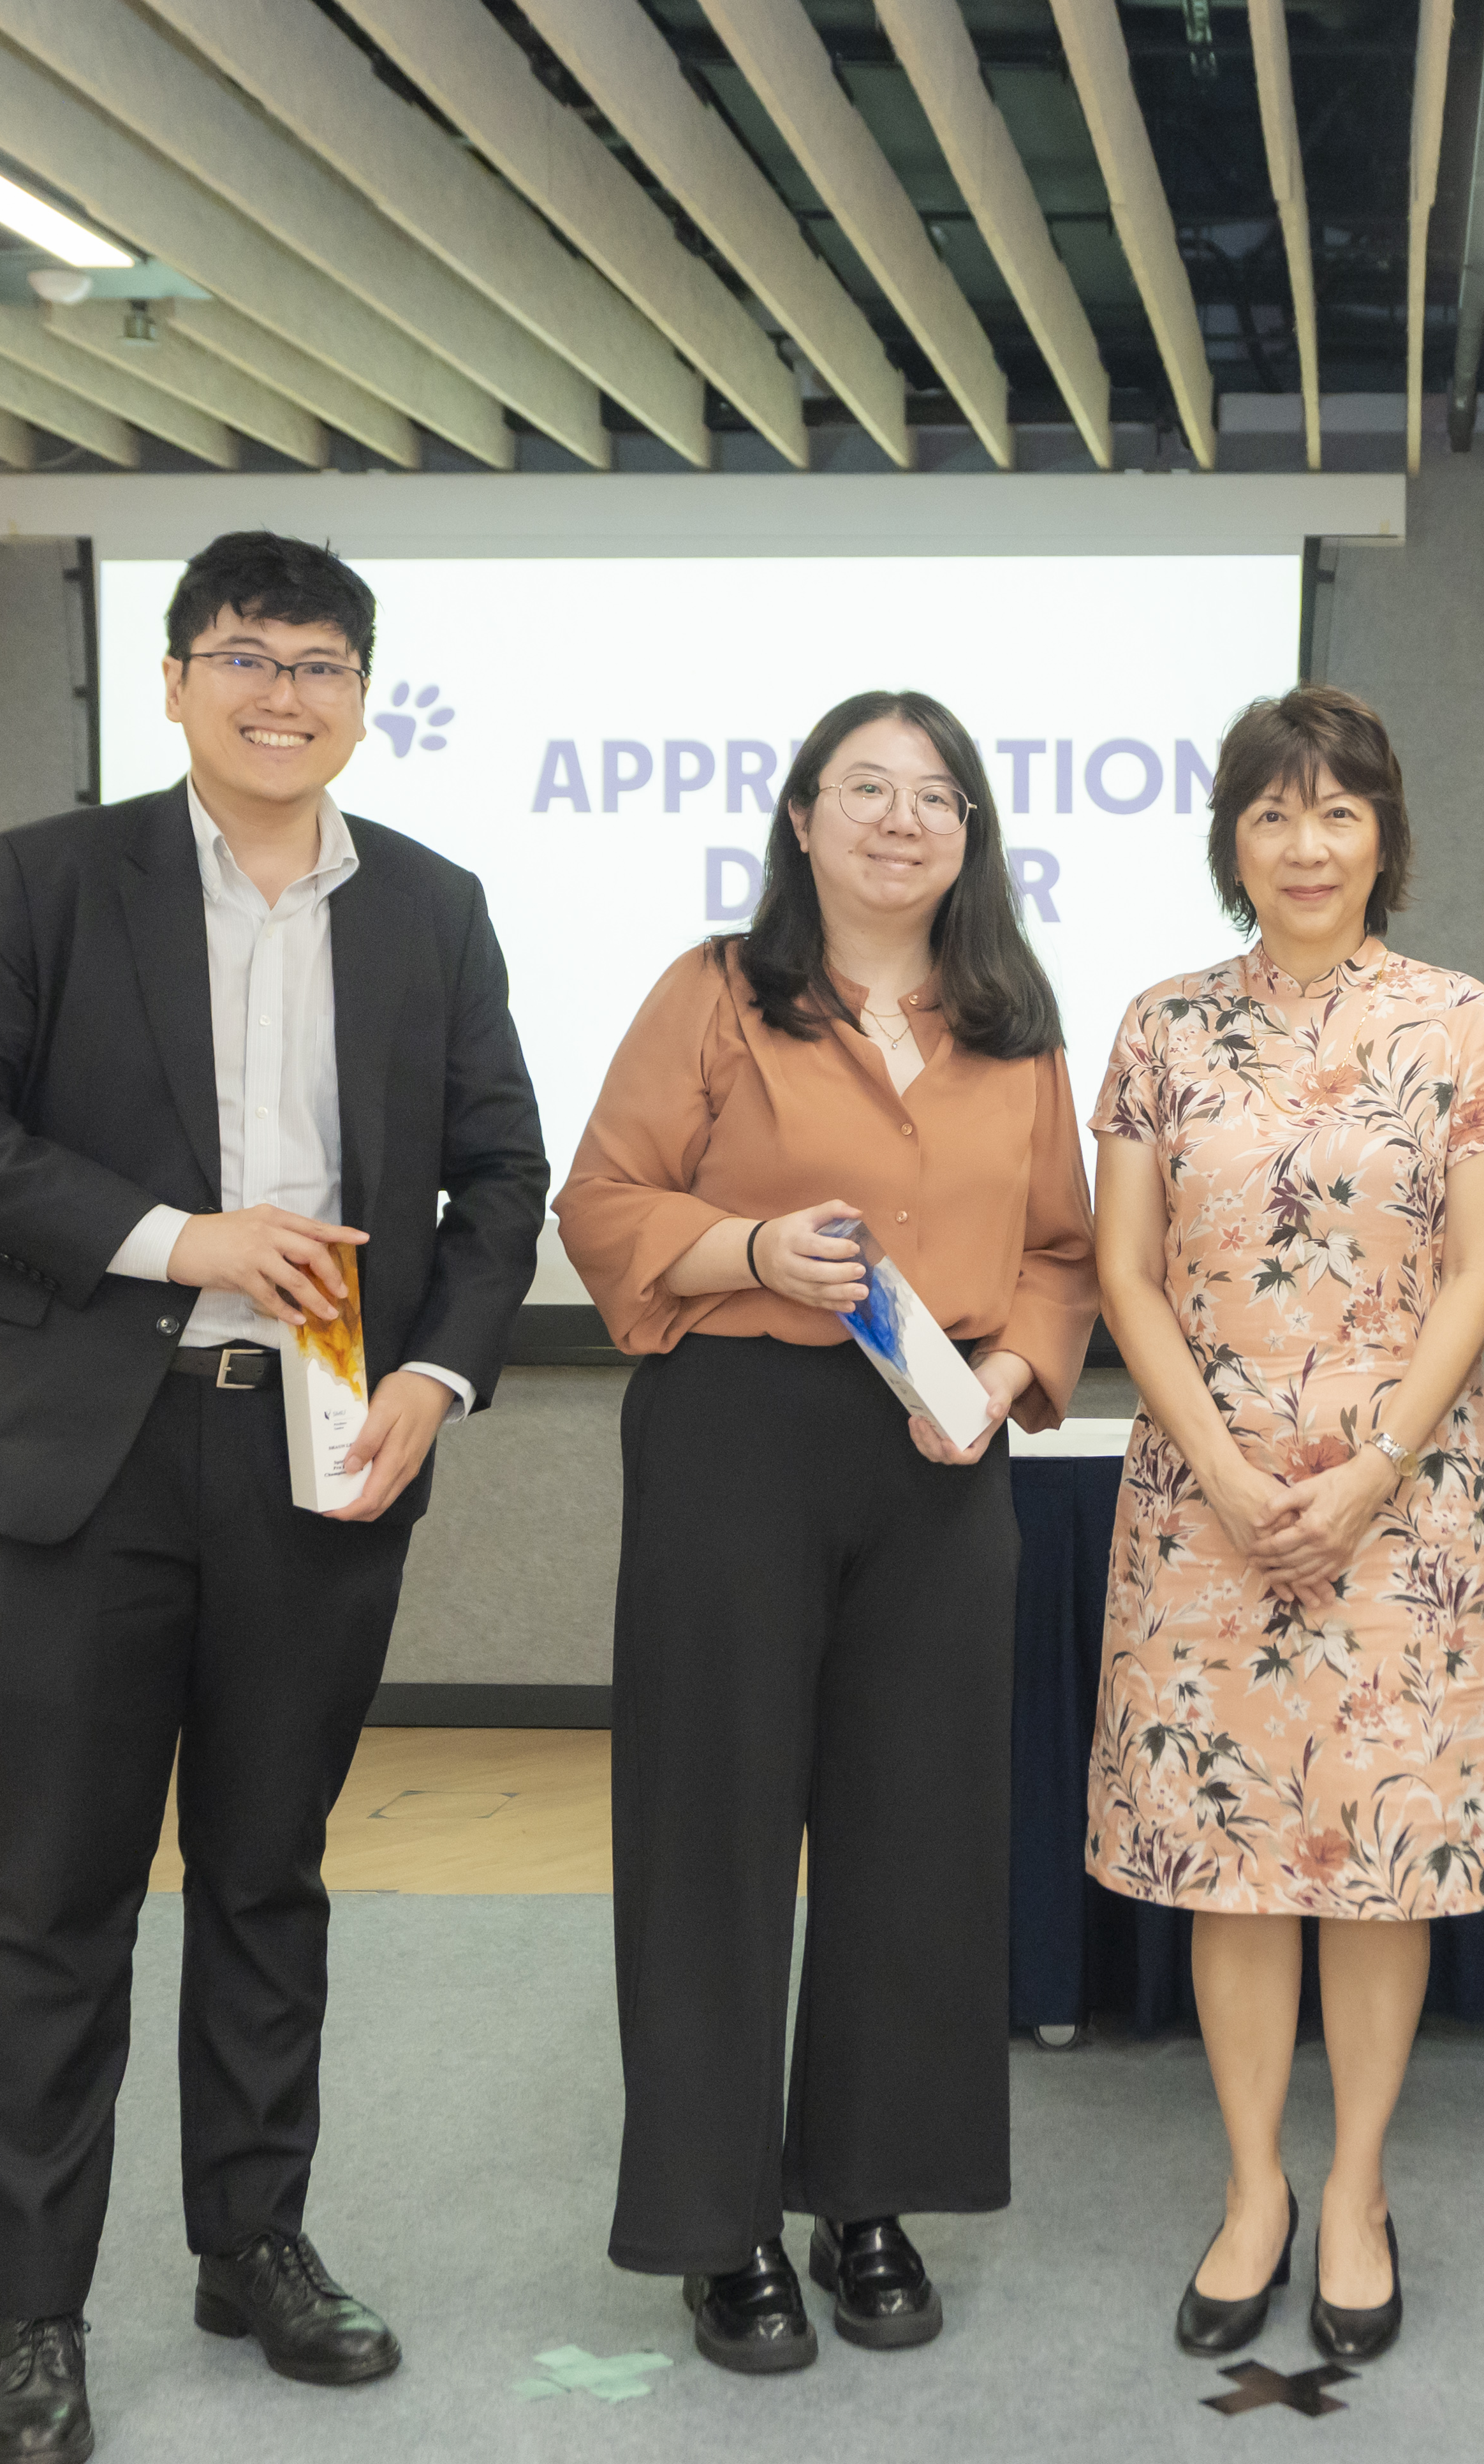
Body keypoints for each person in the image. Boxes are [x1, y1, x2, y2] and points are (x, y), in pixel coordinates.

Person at [0, 532, 547, 2464]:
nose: (282, 692)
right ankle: (32, 2320)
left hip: (324, 1448)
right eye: (244, 655)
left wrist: (436, 1373)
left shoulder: (431, 905)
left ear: (361, 696)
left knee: (268, 1871)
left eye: (321, 663)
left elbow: (500, 1183)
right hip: (93, 1452)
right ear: (172, 681)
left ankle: (252, 2247)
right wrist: (177, 1241)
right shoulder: (51, 880)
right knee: (62, 1898)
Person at [557, 690, 1095, 2375]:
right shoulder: (718, 992)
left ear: (970, 834)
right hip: (742, 1438)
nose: (899, 817)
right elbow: (607, 1201)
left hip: (942, 1451)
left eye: (935, 792)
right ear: (801, 819)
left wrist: (1005, 1371)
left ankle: (871, 2196)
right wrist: (750, 1253)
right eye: (863, 787)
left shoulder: (1012, 1025)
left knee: (920, 1838)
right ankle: (717, 2231)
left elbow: (1067, 1256)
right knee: (713, 1833)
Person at [1085, 684, 1484, 2367]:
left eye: (1340, 810)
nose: (1307, 842)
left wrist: (1369, 1467)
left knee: (1376, 1865)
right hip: (1201, 1504)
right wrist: (1218, 1459)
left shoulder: (1461, 1023)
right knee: (1240, 1867)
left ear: (1385, 834)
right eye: (1274, 813)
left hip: (1402, 1506)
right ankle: (1252, 2190)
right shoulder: (1160, 1027)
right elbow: (1126, 1269)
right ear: (1233, 841)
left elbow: (1482, 1269)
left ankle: (1354, 2191)